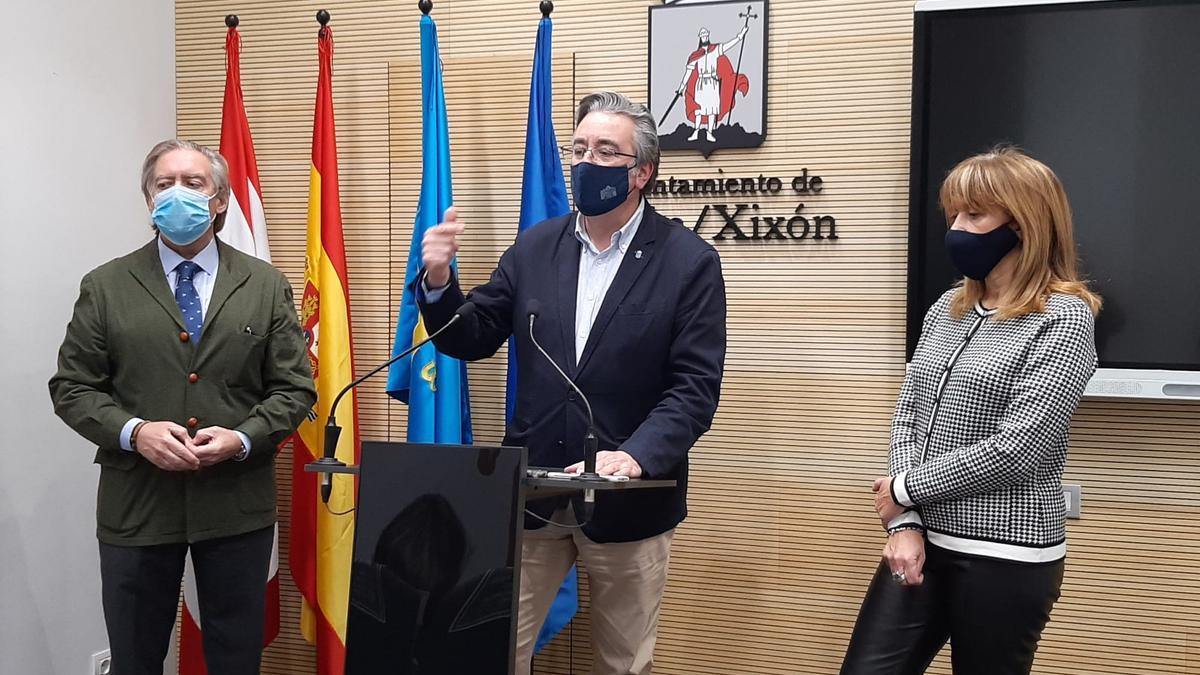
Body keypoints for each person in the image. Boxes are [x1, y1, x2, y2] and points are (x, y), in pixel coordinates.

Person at [417, 91, 727, 675]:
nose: (586, 161)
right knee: (490, 649)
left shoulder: (688, 262)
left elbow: (694, 388)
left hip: (627, 502)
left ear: (642, 172)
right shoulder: (537, 246)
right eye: (579, 147)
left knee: (620, 663)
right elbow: (473, 336)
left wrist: (636, 456)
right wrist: (438, 280)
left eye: (606, 151)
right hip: (532, 495)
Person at [49, 139, 316, 675]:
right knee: (135, 656)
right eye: (163, 184)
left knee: (236, 657)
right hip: (137, 507)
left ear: (219, 201)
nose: (177, 194)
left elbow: (294, 390)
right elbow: (73, 388)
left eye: (193, 183)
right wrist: (134, 431)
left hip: (235, 505)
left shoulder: (264, 284)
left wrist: (241, 438)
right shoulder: (105, 285)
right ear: (147, 198)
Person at [839, 147, 1102, 675]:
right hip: (920, 540)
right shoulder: (947, 307)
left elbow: (1019, 447)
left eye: (975, 214)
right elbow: (909, 414)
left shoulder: (1064, 318)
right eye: (954, 213)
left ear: (1024, 224)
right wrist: (904, 523)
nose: (957, 227)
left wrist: (903, 491)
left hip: (1007, 557)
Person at [676, 25, 749, 142]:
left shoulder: (715, 50)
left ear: (708, 36)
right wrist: (681, 88)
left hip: (712, 83)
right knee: (698, 109)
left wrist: (740, 36)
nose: (704, 37)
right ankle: (696, 131)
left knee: (712, 110)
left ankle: (710, 133)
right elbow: (688, 73)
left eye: (705, 35)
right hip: (701, 84)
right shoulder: (695, 56)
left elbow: (728, 46)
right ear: (700, 37)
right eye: (702, 35)